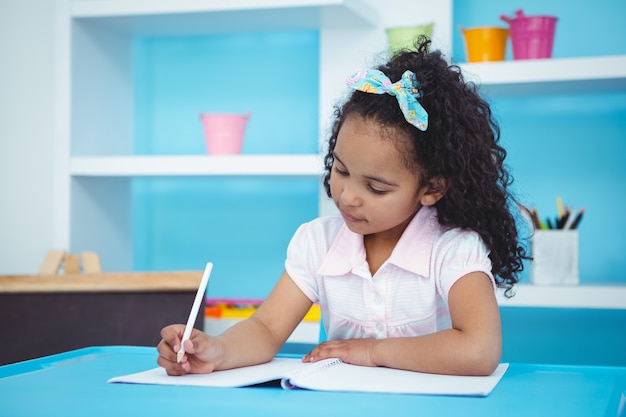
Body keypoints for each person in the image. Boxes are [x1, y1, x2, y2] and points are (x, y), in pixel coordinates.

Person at [157, 37, 528, 377]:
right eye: (341, 170)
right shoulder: (317, 242)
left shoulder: (454, 249)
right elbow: (266, 329)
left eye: (376, 188)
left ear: (431, 189)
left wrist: (371, 352)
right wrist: (216, 351)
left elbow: (479, 350)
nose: (347, 196)